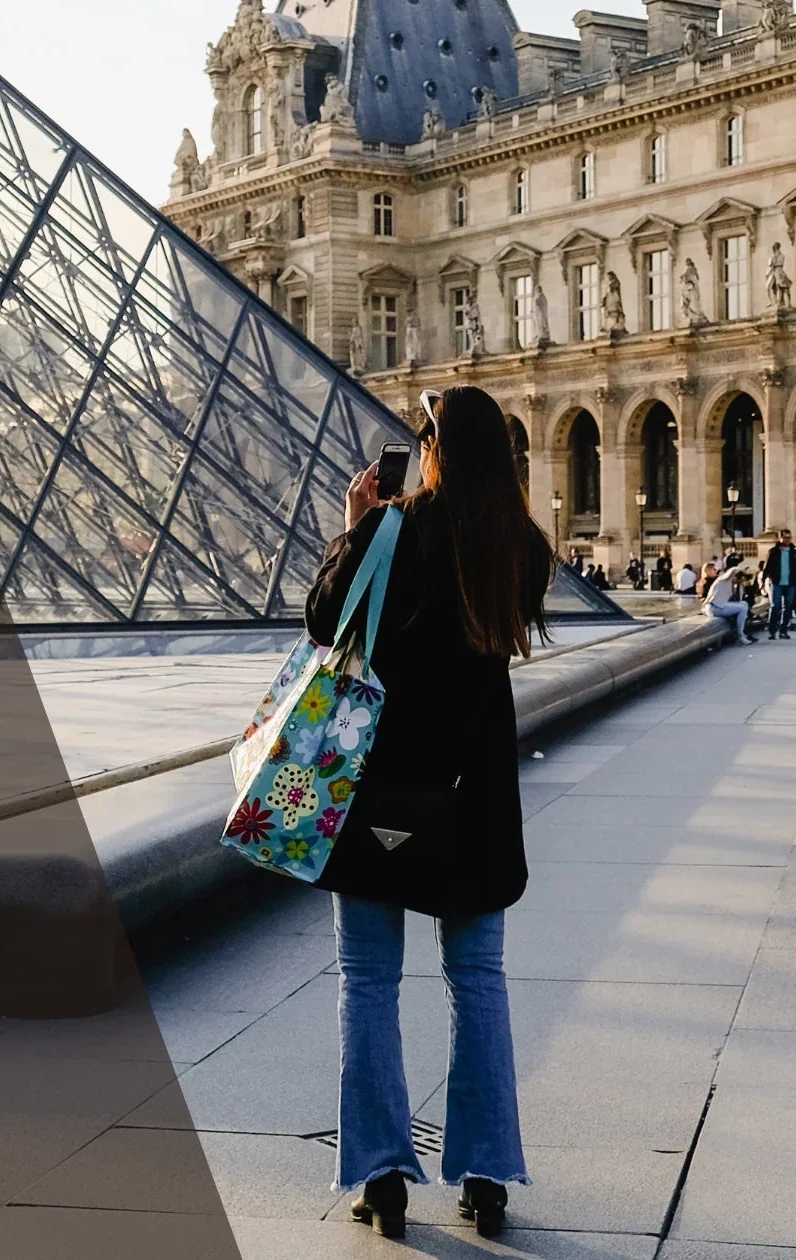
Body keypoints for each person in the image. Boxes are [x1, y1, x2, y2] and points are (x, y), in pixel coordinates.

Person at [304, 386, 548, 1239]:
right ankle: (486, 1176)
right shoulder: (523, 546)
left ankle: (382, 1177)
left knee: (367, 982)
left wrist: (354, 522)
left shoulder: (392, 529)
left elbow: (323, 625)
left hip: (377, 788)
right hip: (472, 801)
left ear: (436, 448)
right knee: (477, 980)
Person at [760, 529, 796, 640]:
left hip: (790, 583)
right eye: (785, 538)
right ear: (780, 538)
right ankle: (772, 631)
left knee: (787, 607)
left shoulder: (794, 552)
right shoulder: (773, 551)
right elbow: (767, 567)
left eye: (789, 538)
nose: (788, 540)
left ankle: (783, 631)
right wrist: (762, 581)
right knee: (775, 606)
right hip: (777, 582)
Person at [706, 561, 758, 643]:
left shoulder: (731, 584)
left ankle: (742, 633)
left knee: (744, 604)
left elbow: (738, 600)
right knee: (742, 608)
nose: (737, 581)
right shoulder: (723, 580)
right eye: (737, 578)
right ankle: (740, 635)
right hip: (714, 608)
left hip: (719, 606)